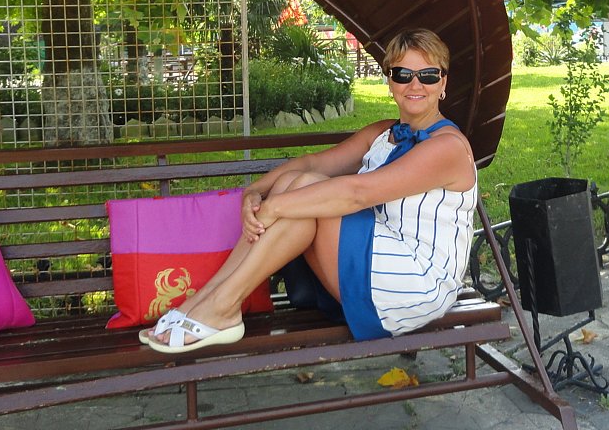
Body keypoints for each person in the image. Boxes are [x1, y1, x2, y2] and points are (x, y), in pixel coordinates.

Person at [146, 28, 479, 353]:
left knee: (305, 193)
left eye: (428, 75)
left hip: (417, 284)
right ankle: (209, 301)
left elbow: (357, 193)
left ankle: (222, 305)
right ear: (390, 80)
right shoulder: (382, 133)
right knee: (298, 184)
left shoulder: (447, 147)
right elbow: (312, 162)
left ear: (443, 83)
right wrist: (255, 192)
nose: (415, 85)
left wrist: (275, 207)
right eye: (403, 74)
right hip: (372, 260)